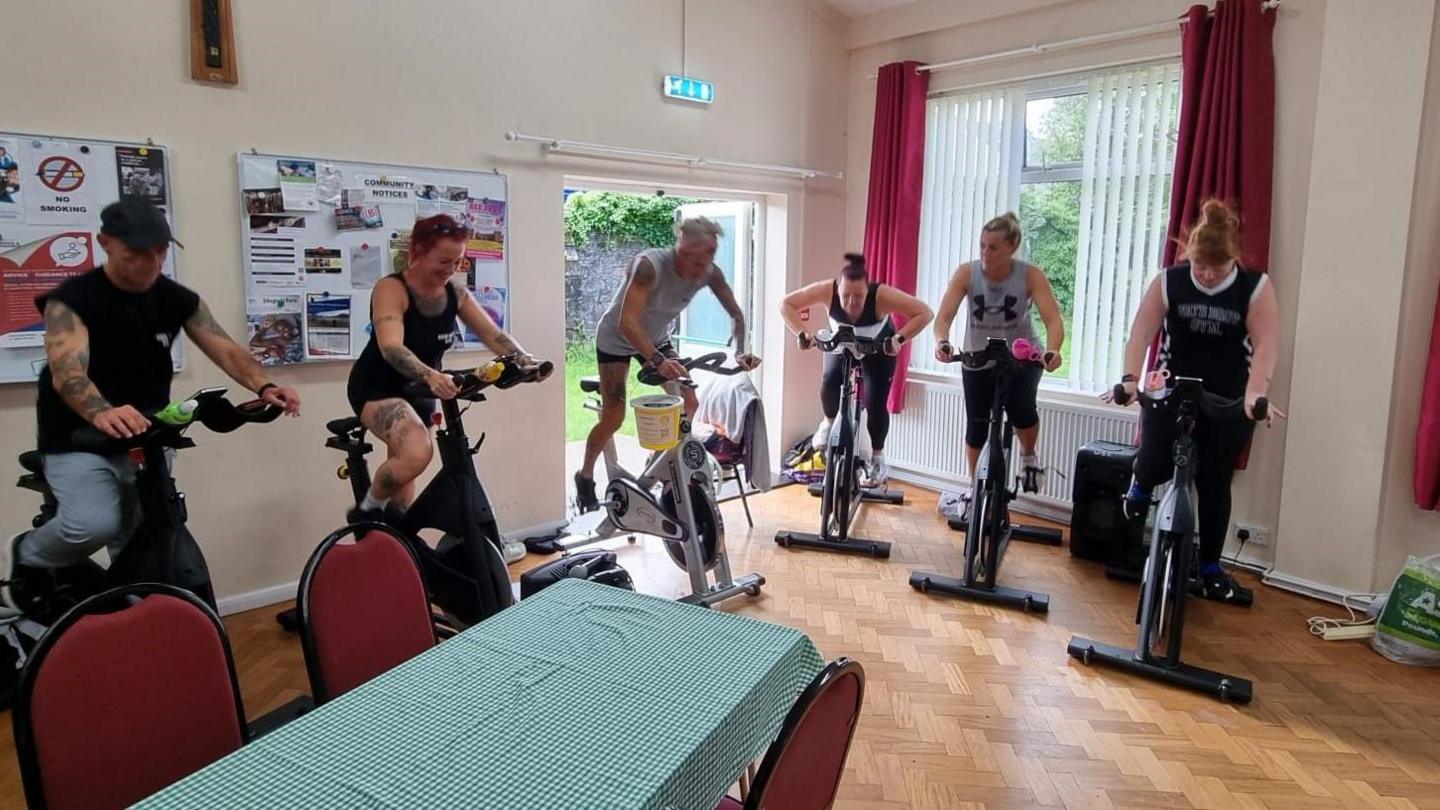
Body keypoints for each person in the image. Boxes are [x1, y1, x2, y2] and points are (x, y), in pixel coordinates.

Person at [1, 198, 302, 615]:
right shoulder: (71, 300)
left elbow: (227, 350)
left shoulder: (176, 299)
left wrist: (265, 384)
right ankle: (30, 552)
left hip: (145, 435)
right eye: (137, 254)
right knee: (94, 524)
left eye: (160, 252)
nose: (151, 263)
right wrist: (101, 410)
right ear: (106, 243)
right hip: (77, 438)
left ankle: (137, 626)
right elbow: (68, 372)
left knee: (141, 539)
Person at [1105, 199, 1282, 605]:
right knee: (1156, 460)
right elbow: (1141, 333)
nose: (1205, 274)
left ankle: (1210, 567)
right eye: (1200, 265)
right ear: (1190, 255)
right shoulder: (1170, 280)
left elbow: (1267, 344)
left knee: (1214, 480)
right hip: (1172, 386)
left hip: (1227, 396)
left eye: (1215, 269)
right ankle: (1140, 483)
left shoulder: (1254, 287)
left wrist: (1256, 394)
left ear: (1232, 259)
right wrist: (1131, 380)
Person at [345, 213, 549, 561]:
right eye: (443, 261)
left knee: (405, 492)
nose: (450, 269)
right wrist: (428, 374)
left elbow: (491, 334)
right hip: (378, 386)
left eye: (457, 261)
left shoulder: (455, 292)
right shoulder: (392, 288)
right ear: (419, 251)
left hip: (424, 391)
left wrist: (523, 359)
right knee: (415, 452)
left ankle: (395, 547)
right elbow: (391, 347)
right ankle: (366, 510)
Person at [573, 215, 759, 511]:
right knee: (614, 415)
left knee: (689, 401)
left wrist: (740, 352)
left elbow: (737, 314)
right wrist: (657, 361)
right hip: (617, 338)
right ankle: (584, 476)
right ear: (682, 251)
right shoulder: (649, 266)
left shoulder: (709, 273)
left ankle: (657, 465)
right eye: (697, 263)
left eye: (708, 261)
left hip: (657, 338)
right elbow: (627, 321)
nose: (702, 272)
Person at [933, 212, 1065, 497]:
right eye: (982, 245)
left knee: (1021, 408)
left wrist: (1053, 350)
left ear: (1012, 247)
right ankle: (974, 489)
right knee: (976, 425)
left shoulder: (1030, 275)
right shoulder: (966, 274)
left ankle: (1029, 458)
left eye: (993, 247)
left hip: (1022, 357)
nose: (985, 253)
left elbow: (1053, 320)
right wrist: (942, 342)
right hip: (978, 357)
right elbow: (944, 316)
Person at [779, 252, 933, 486]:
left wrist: (899, 339)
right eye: (845, 296)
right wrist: (801, 333)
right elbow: (786, 304)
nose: (851, 303)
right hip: (842, 343)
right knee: (829, 382)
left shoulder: (882, 296)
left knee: (875, 401)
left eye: (859, 297)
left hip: (878, 348)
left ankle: (878, 458)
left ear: (868, 291)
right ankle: (829, 422)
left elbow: (925, 313)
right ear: (837, 289)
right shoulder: (825, 290)